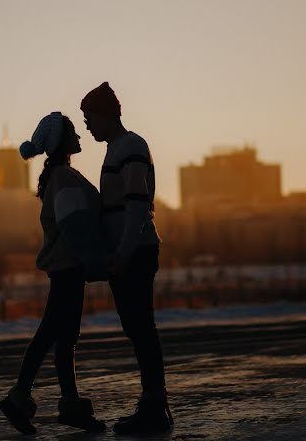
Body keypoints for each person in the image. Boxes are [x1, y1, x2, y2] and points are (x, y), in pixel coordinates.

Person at [0, 112, 107, 435]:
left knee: (61, 337)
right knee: (54, 335)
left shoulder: (61, 176)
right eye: (73, 132)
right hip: (69, 268)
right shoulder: (63, 178)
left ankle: (55, 401)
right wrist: (98, 262)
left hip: (67, 268)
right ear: (62, 140)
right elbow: (76, 227)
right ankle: (25, 398)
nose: (79, 137)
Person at [81, 82, 174, 435]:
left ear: (106, 115)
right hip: (130, 251)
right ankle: (153, 403)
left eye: (90, 118)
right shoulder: (117, 148)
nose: (87, 125)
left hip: (135, 252)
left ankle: (154, 405)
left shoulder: (130, 146)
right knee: (137, 328)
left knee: (141, 328)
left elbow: (136, 205)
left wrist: (123, 252)